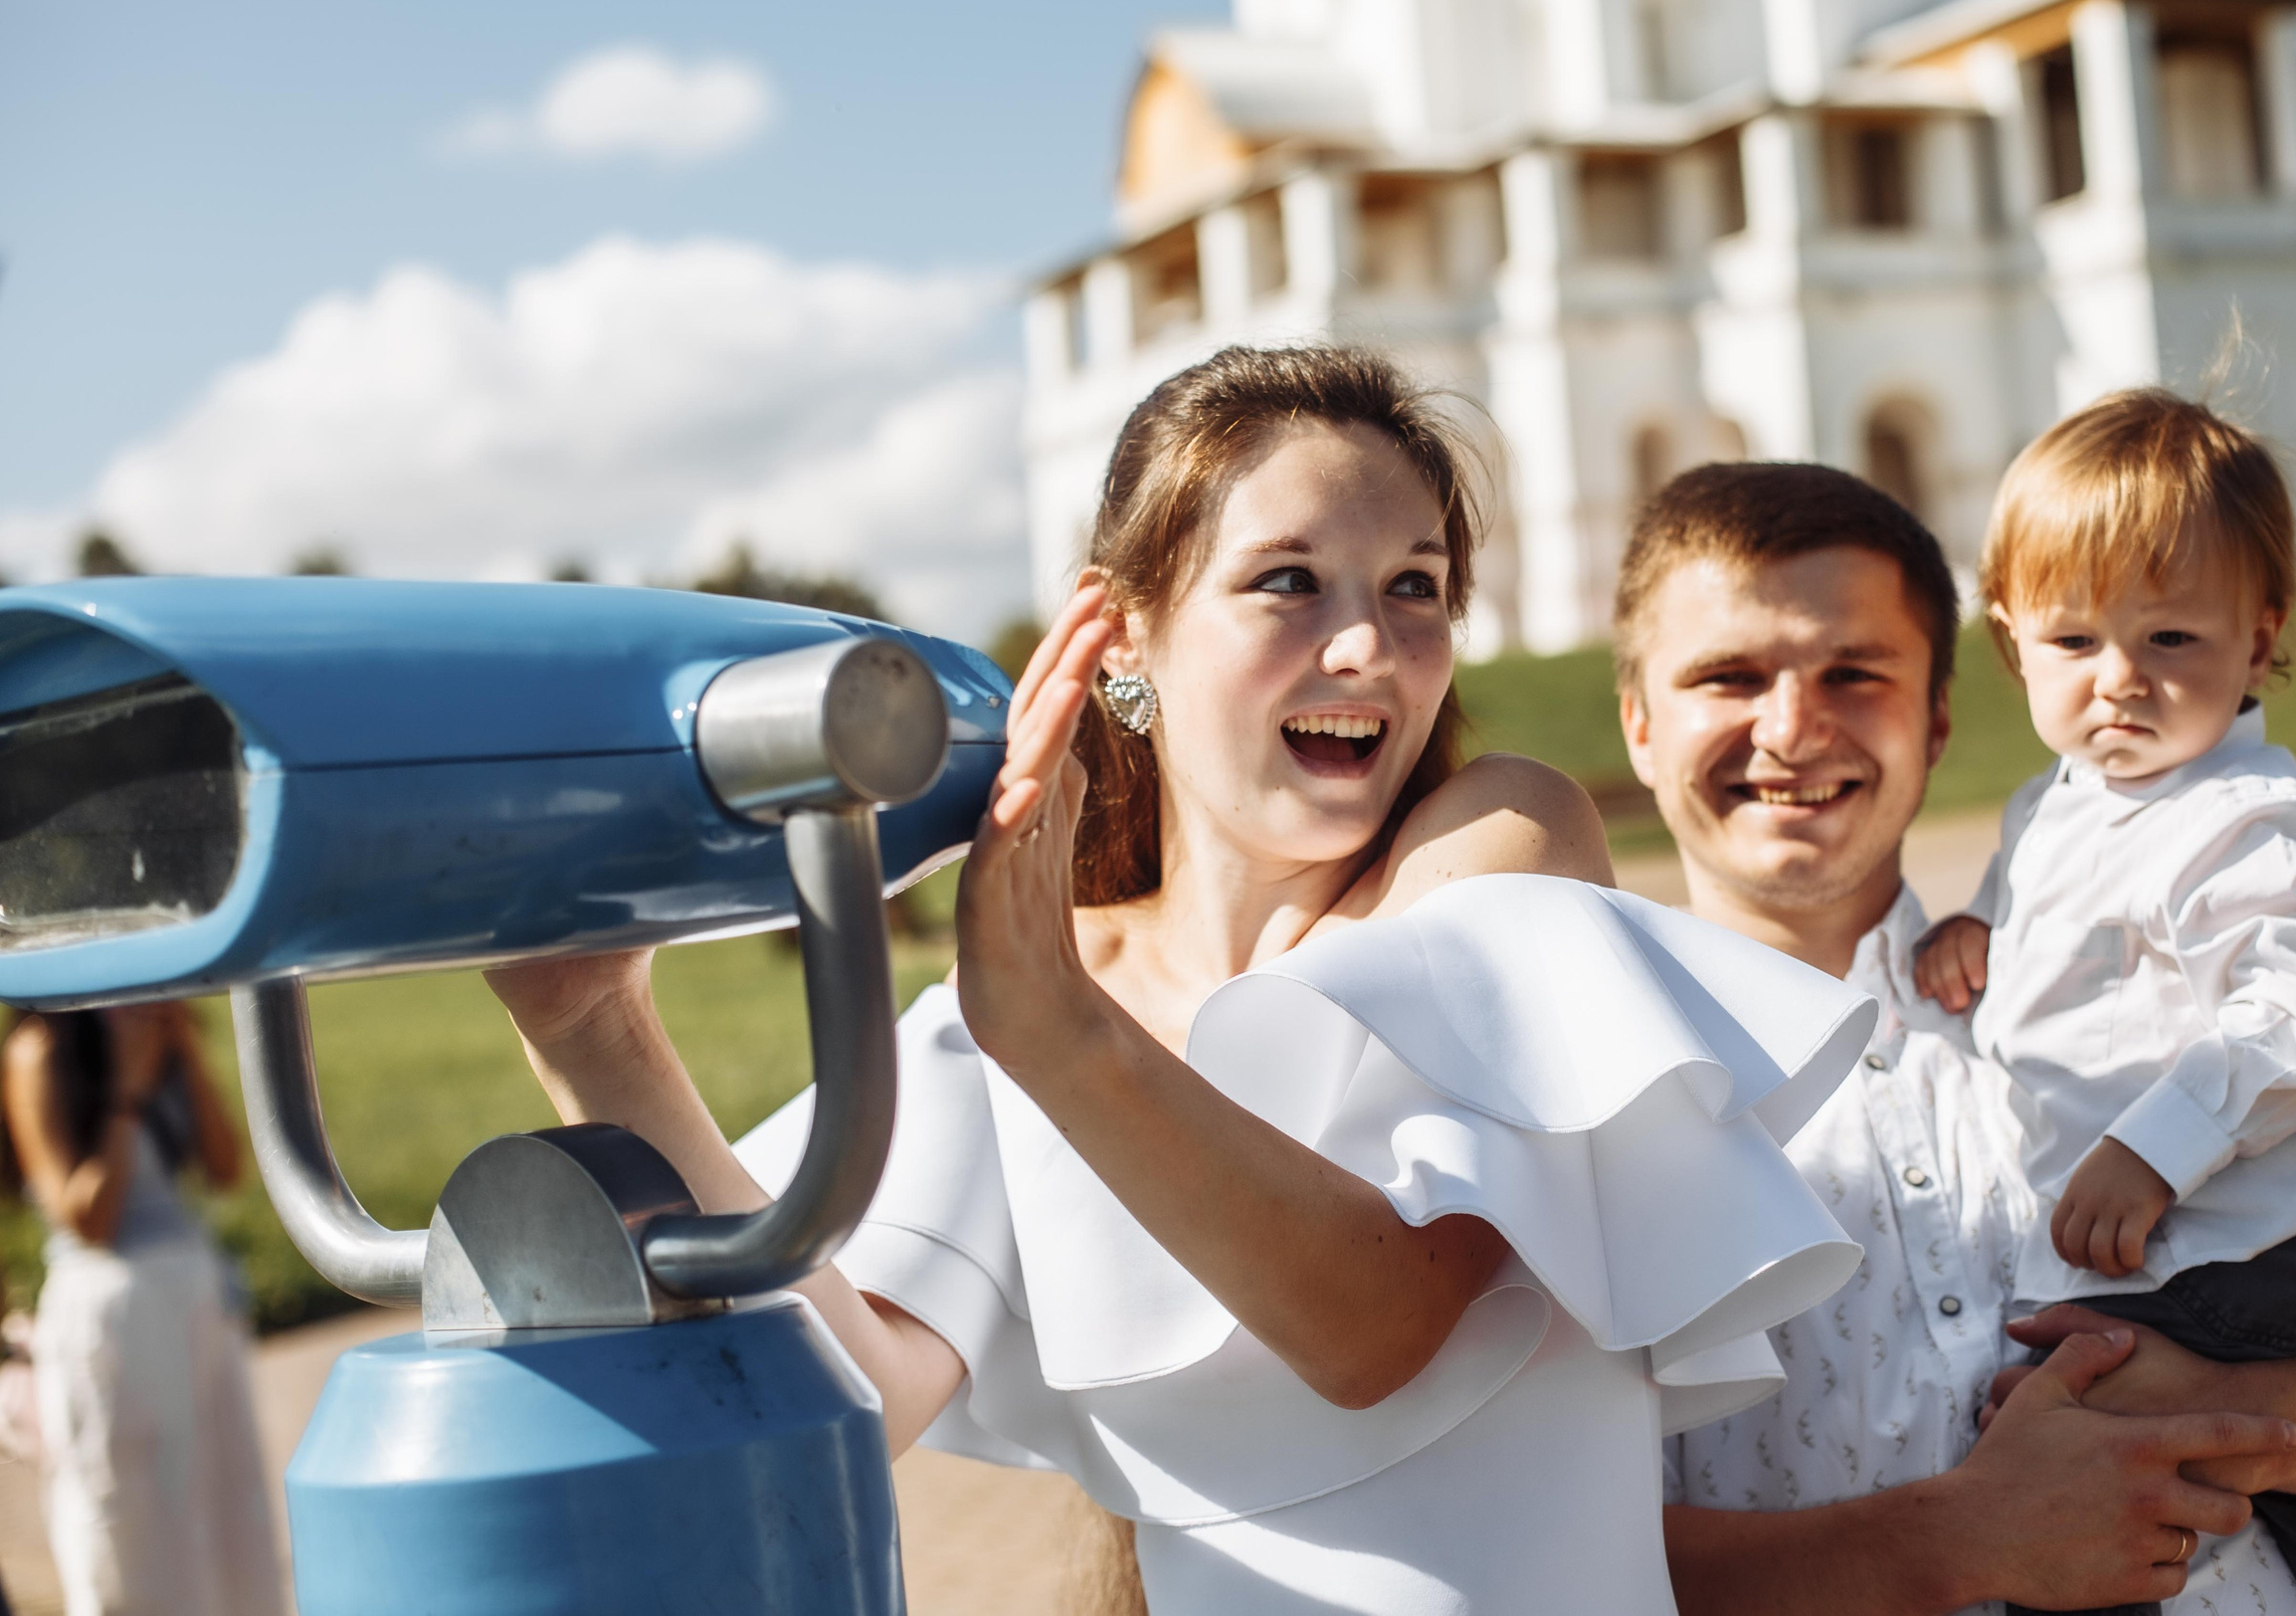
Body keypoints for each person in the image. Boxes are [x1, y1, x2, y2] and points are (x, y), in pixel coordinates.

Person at [488, 344, 1883, 1614]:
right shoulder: (1024, 1004)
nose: (1368, 645)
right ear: (1126, 635)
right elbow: (847, 1390)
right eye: (1290, 580)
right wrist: (594, 1020)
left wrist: (1061, 1035)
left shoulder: (1498, 845)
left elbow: (1379, 1324)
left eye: (1415, 586)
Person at [1610, 463, 2296, 1613]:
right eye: (1727, 677)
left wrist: (2220, 1427)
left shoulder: (2107, 974)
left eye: (1855, 672)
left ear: (1937, 715)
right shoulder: (1592, 1098)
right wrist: (1955, 1542)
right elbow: (1554, 1562)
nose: (1792, 728)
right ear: (1639, 724)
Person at [1908, 391, 2296, 1615]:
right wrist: (1976, 928)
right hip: (2174, 1238)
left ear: (2259, 639)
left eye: (2170, 641)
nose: (2118, 681)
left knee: (2093, 1430)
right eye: (2072, 643)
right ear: (2010, 640)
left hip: (2245, 1237)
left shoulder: (2243, 818)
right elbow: (2054, 914)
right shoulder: (2057, 803)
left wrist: (2152, 1153)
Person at [1, 1002, 286, 1616]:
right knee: (131, 1528)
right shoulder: (41, 1051)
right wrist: (126, 1091)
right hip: (109, 1314)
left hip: (196, 1300)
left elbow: (225, 1168)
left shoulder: (159, 1031)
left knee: (227, 1515)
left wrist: (182, 1049)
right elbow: (87, 1220)